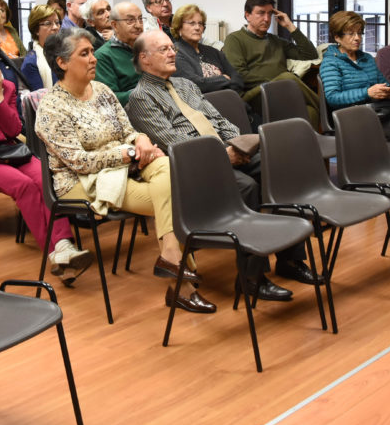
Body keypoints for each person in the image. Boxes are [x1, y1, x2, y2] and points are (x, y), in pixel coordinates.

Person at [35, 28, 214, 313]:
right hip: (81, 181)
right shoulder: (51, 107)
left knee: (167, 165)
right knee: (172, 198)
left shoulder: (103, 91)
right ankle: (180, 283)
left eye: (92, 52)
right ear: (62, 63)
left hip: (124, 167)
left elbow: (128, 130)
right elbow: (78, 162)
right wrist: (128, 152)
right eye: (85, 53)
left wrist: (141, 140)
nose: (94, 58)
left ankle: (172, 262)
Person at [126, 30, 315, 300]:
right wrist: (222, 155)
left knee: (282, 172)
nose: (172, 53)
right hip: (194, 168)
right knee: (247, 187)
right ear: (144, 59)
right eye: (164, 49)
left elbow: (220, 120)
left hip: (222, 152)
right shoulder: (141, 97)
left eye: (172, 48)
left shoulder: (185, 85)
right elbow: (175, 143)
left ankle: (291, 260)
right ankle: (252, 278)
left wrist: (236, 145)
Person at [0, 31, 86, 280]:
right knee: (23, 186)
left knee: (46, 177)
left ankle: (63, 245)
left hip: (8, 152)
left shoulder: (7, 87)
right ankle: (55, 252)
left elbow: (13, 130)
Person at [222, 0, 321, 127]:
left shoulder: (276, 41)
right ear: (247, 15)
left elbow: (310, 54)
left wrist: (290, 26)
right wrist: (276, 82)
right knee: (288, 77)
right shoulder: (234, 39)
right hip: (255, 94)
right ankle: (330, 111)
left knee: (311, 112)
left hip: (282, 91)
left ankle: (306, 146)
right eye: (261, 13)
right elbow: (239, 73)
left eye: (270, 14)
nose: (267, 18)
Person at [320, 10, 390, 146]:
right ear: (337, 37)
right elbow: (332, 98)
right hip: (349, 115)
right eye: (351, 33)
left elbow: (383, 83)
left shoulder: (367, 58)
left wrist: (389, 91)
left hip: (374, 110)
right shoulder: (331, 62)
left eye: (359, 33)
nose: (357, 38)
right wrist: (367, 92)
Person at [172, 3, 244, 95]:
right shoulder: (175, 52)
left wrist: (217, 84)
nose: (197, 28)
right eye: (192, 23)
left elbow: (237, 79)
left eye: (200, 24)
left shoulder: (213, 51)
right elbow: (195, 84)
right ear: (179, 28)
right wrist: (224, 79)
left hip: (229, 100)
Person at [94, 1, 144, 106]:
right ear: (115, 25)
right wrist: (144, 93)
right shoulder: (103, 56)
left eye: (140, 19)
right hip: (131, 111)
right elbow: (108, 98)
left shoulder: (148, 47)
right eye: (130, 20)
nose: (138, 25)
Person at [20, 4, 62, 91]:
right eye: (48, 23)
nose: (55, 27)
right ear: (36, 30)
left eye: (57, 23)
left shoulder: (67, 53)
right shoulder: (31, 63)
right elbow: (39, 100)